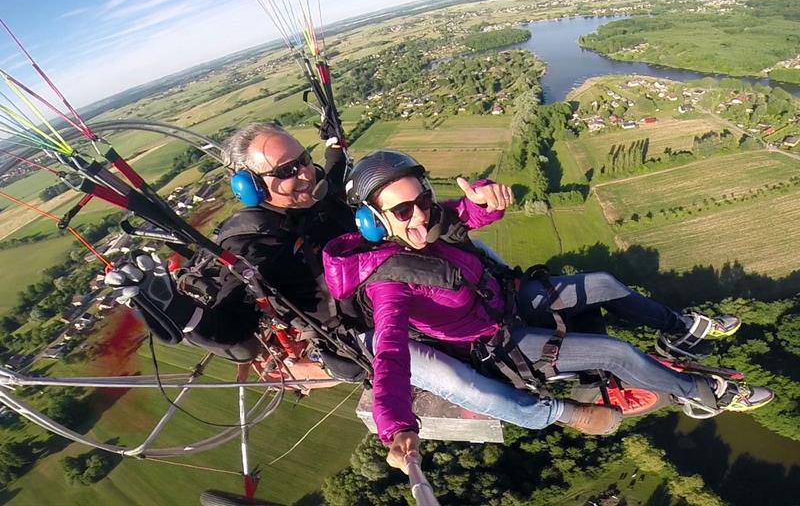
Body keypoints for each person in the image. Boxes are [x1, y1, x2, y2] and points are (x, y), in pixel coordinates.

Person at [107, 122, 621, 438]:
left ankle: (552, 329)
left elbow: (399, 203)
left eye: (304, 160)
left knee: (479, 253)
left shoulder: (322, 194)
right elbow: (237, 338)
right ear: (247, 185)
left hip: (406, 275)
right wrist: (179, 314)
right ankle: (551, 413)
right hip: (368, 326)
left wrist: (473, 206)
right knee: (457, 382)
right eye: (286, 171)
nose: (304, 174)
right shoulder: (248, 247)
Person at [322, 149, 775, 472]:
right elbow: (392, 360)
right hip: (497, 343)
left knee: (604, 283)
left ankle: (676, 329)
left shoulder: (428, 220)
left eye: (423, 200)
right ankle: (700, 393)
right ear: (373, 221)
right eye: (403, 211)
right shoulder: (389, 285)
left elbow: (467, 213)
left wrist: (485, 198)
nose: (420, 216)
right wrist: (396, 427)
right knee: (614, 354)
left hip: (508, 299)